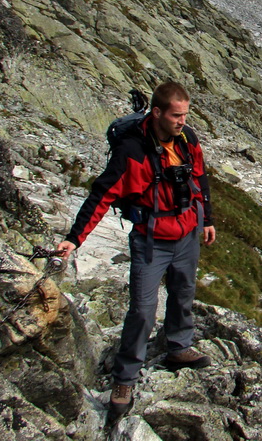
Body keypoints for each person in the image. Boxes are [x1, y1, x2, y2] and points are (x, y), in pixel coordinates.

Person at [56, 81, 216, 417]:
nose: (182, 122)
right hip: (151, 240)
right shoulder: (132, 152)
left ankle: (179, 346)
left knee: (183, 293)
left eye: (185, 115)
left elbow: (199, 178)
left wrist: (208, 220)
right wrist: (74, 238)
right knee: (142, 311)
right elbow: (101, 196)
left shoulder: (188, 140)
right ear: (157, 112)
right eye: (176, 115)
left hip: (187, 233)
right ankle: (124, 378)